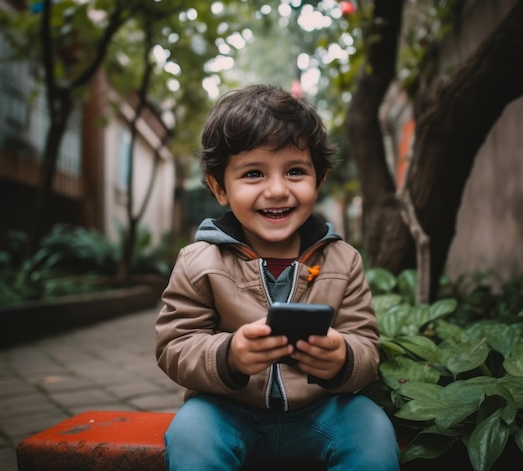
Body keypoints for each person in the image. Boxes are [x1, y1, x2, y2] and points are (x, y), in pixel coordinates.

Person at [155, 84, 400, 470]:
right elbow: (175, 345)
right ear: (219, 187)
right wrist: (230, 355)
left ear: (318, 181)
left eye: (295, 171)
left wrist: (342, 358)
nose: (277, 189)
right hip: (226, 410)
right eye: (253, 173)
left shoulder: (343, 259)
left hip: (322, 412)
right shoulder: (199, 260)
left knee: (371, 426)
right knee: (190, 432)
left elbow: (366, 345)